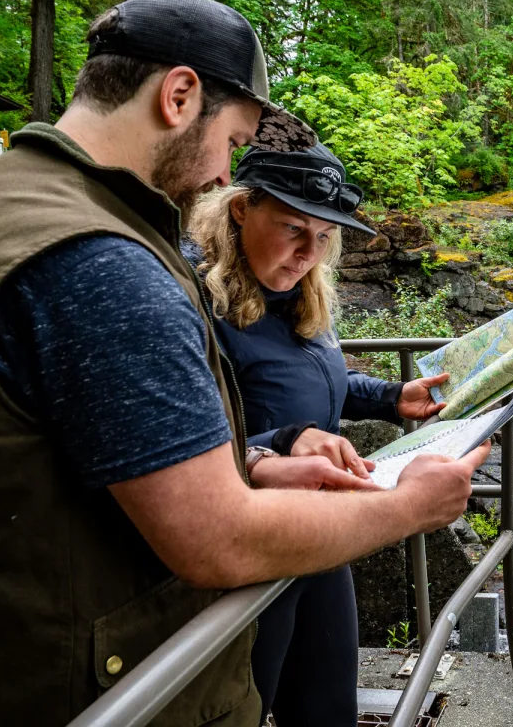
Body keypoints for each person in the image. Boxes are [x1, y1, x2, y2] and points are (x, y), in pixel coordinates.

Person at [0, 0, 487, 726]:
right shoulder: (100, 261)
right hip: (87, 693)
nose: (218, 173)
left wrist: (261, 462)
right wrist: (406, 506)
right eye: (232, 143)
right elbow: (217, 539)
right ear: (179, 95)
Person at [185, 143, 450, 724]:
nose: (309, 253)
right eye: (293, 229)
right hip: (250, 546)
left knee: (329, 712)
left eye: (325, 236)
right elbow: (191, 440)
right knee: (240, 711)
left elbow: (314, 383)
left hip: (323, 536)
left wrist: (389, 397)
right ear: (239, 210)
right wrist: (285, 438)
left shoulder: (300, 293)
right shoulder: (193, 305)